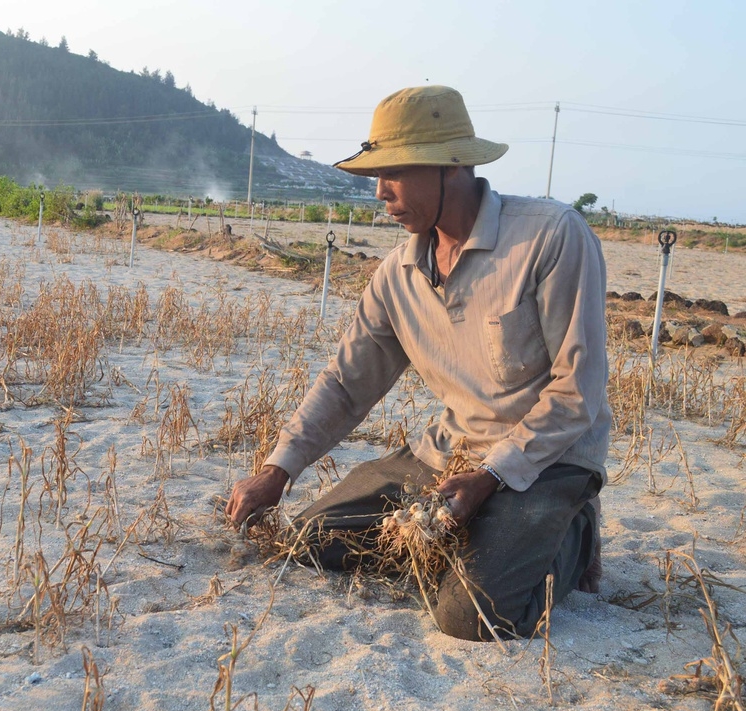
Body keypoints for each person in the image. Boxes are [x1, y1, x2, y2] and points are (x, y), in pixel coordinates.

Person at [224, 85, 611, 642]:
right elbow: (346, 382)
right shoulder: (398, 274)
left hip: (545, 463)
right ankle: (475, 534)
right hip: (450, 456)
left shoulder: (550, 238)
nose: (380, 192)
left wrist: (491, 476)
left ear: (451, 166)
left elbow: (578, 391)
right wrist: (278, 470)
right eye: (375, 176)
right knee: (309, 539)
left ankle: (572, 530)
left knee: (472, 616)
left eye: (395, 173)